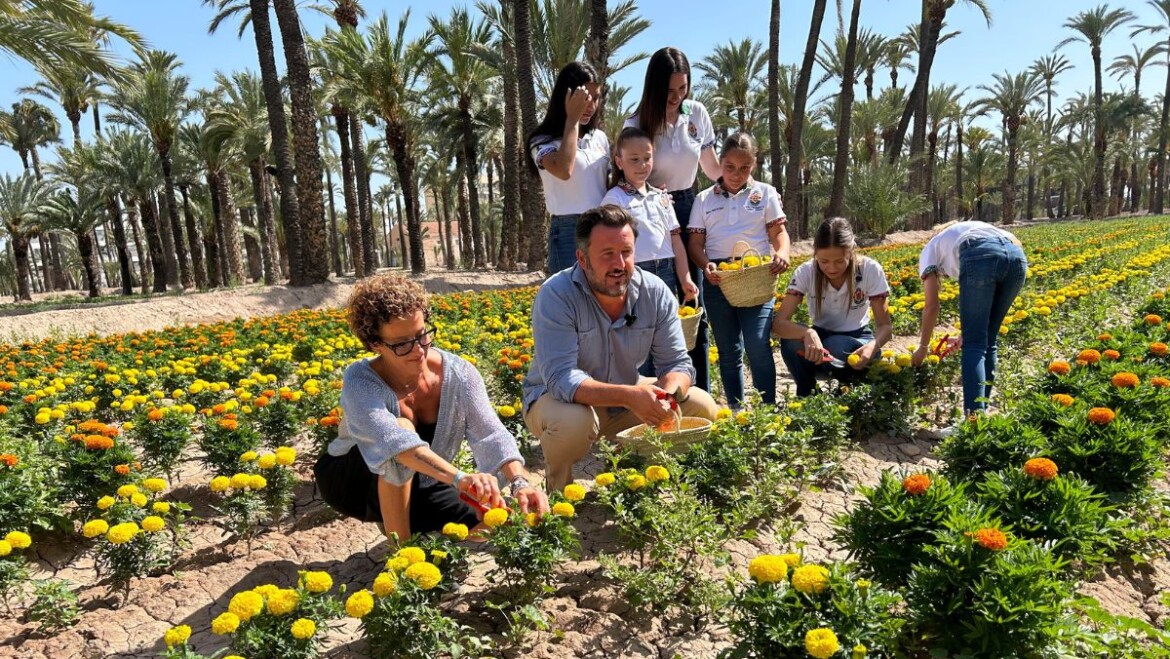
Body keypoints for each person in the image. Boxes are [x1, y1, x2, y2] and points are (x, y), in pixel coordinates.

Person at [315, 274, 549, 542]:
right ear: (375, 344)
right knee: (400, 430)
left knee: (498, 524)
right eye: (402, 343)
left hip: (426, 480)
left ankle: (406, 518)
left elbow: (490, 433)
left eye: (422, 334)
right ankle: (402, 556)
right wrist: (460, 478)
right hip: (354, 481)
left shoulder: (459, 374)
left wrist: (519, 482)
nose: (419, 350)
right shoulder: (360, 381)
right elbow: (395, 444)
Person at [522, 205, 719, 492]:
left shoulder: (654, 292)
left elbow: (677, 363)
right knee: (573, 421)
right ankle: (558, 494)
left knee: (701, 406)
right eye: (607, 254)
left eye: (626, 252)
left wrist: (666, 396)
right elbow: (561, 379)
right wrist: (630, 396)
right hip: (556, 400)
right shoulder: (557, 295)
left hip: (625, 395)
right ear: (582, 258)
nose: (619, 263)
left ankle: (632, 473)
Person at [626, 47, 721, 392]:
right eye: (670, 91)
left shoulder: (696, 114)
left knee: (694, 307)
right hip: (653, 215)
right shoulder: (636, 123)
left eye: (683, 89)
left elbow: (711, 168)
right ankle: (656, 395)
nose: (677, 97)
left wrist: (744, 184)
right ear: (653, 87)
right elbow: (631, 175)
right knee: (655, 310)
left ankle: (699, 394)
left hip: (691, 207)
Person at [687, 133, 791, 408]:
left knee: (757, 345)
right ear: (720, 163)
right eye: (730, 166)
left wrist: (781, 254)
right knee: (728, 350)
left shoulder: (765, 193)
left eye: (744, 168)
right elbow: (695, 243)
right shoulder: (704, 199)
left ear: (754, 165)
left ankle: (766, 409)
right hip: (718, 278)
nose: (736, 174)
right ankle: (736, 409)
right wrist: (705, 264)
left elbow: (779, 233)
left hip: (756, 275)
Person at [601, 126, 698, 376]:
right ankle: (638, 397)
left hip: (666, 272)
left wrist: (685, 278)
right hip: (634, 275)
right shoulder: (615, 199)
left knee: (665, 334)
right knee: (637, 336)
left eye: (647, 157)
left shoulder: (661, 197)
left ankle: (667, 394)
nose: (642, 164)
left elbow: (676, 241)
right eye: (634, 159)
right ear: (619, 162)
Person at [910, 220, 1027, 414]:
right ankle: (980, 417)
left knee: (975, 344)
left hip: (981, 254)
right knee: (988, 340)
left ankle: (972, 422)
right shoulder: (973, 228)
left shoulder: (932, 246)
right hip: (1017, 258)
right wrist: (965, 333)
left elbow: (931, 306)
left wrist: (922, 349)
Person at [772, 217, 893, 397]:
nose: (831, 268)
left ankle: (850, 391)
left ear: (851, 252)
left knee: (837, 345)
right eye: (823, 261)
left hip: (858, 340)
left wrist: (872, 347)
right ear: (815, 254)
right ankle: (808, 394)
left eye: (839, 261)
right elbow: (779, 324)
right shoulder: (807, 272)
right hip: (821, 339)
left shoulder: (869, 270)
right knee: (791, 341)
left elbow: (886, 327)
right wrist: (808, 333)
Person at [528, 61, 609, 275]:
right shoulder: (542, 141)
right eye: (584, 97)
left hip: (602, 227)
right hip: (567, 233)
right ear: (566, 96)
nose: (590, 104)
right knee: (569, 301)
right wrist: (572, 121)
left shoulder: (599, 138)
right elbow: (564, 170)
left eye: (596, 97)